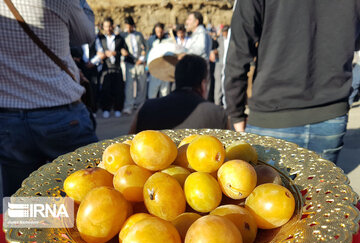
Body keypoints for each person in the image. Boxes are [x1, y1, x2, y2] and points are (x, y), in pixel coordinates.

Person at [224, 0, 360, 164]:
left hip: (273, 116)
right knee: (319, 188)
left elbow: (238, 51)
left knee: (269, 187)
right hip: (330, 116)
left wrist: (236, 114)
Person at [0, 0, 98, 199]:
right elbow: (86, 34)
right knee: (89, 195)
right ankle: (70, 228)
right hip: (61, 113)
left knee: (24, 205)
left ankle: (38, 230)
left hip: (9, 118)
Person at [130, 54, 229, 133]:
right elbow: (231, 153)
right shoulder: (218, 114)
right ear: (203, 84)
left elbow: (128, 147)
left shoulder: (146, 108)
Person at [95, 17, 129, 118]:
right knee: (106, 89)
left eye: (110, 26)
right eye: (106, 26)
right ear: (103, 27)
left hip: (117, 67)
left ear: (112, 26)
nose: (108, 28)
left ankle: (118, 108)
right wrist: (104, 54)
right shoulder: (100, 39)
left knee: (118, 89)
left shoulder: (119, 38)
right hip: (106, 68)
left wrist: (116, 53)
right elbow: (97, 51)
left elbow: (124, 51)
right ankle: (106, 109)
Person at [121, 16, 147, 115]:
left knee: (142, 84)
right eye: (126, 27)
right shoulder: (123, 36)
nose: (128, 29)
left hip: (139, 62)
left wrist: (142, 58)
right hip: (129, 63)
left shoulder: (139, 35)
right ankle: (128, 106)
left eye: (129, 27)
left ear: (133, 26)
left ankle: (140, 105)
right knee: (129, 86)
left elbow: (145, 47)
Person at [147, 23, 171, 99]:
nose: (159, 34)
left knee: (164, 92)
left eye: (161, 32)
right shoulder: (151, 40)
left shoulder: (168, 40)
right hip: (154, 69)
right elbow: (148, 53)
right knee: (152, 92)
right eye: (157, 32)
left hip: (165, 70)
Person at [213, 25, 229, 106]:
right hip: (219, 64)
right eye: (224, 32)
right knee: (218, 85)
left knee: (226, 85)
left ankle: (227, 104)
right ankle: (217, 104)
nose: (225, 33)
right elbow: (214, 49)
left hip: (228, 65)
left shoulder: (231, 40)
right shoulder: (219, 40)